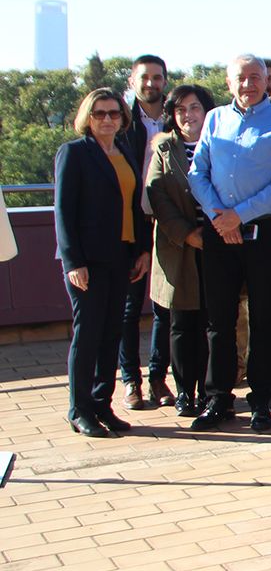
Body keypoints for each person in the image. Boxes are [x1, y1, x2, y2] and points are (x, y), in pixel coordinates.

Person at [188, 55, 271, 432]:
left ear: (268, 82)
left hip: (265, 235)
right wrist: (220, 215)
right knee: (219, 321)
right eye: (241, 78)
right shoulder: (214, 119)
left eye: (256, 77)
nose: (249, 84)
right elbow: (197, 171)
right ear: (229, 82)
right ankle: (218, 398)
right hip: (219, 233)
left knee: (266, 320)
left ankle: (261, 400)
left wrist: (241, 214)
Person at [55, 89, 152, 437]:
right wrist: (73, 261)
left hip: (121, 256)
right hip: (87, 262)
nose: (107, 119)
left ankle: (102, 405)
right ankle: (79, 410)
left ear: (123, 118)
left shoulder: (123, 152)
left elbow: (134, 206)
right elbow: (63, 212)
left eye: (114, 113)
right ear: (87, 117)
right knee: (88, 335)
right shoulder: (74, 153)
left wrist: (142, 249)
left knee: (111, 334)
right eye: (99, 113)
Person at [145, 84, 214, 417]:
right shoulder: (163, 148)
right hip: (179, 250)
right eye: (181, 109)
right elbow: (158, 198)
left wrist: (214, 230)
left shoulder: (220, 142)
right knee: (183, 323)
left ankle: (212, 391)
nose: (189, 115)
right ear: (172, 115)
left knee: (214, 322)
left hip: (218, 244)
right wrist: (187, 235)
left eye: (196, 107)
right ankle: (186, 391)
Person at [118, 54, 169, 411]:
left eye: (157, 77)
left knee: (166, 308)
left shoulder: (179, 116)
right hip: (131, 225)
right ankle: (130, 381)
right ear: (133, 81)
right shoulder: (120, 122)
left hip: (170, 225)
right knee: (129, 310)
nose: (151, 83)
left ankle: (158, 378)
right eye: (145, 77)